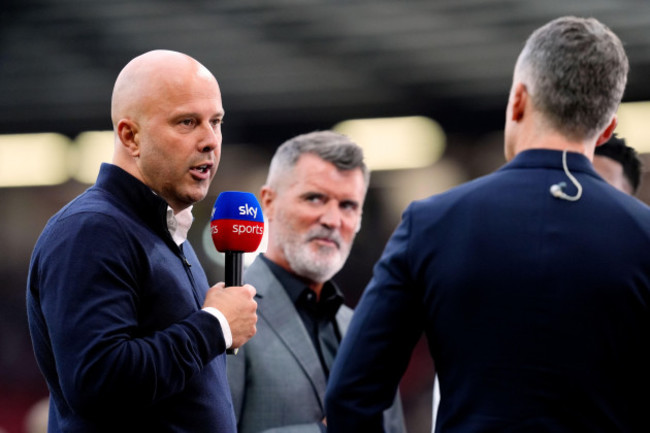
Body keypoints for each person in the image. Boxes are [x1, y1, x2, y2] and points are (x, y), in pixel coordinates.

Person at [326, 16, 650, 432]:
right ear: (607, 129)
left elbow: (351, 393)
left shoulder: (431, 224)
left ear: (518, 100)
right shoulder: (642, 236)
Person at [26, 49, 258, 432]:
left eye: (215, 122)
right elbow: (98, 381)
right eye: (187, 122)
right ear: (130, 135)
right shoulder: (91, 230)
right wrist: (215, 326)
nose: (210, 141)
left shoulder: (163, 232)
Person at [226, 130, 406, 433]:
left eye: (348, 205)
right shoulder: (225, 316)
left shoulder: (362, 327)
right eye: (314, 198)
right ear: (268, 203)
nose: (333, 220)